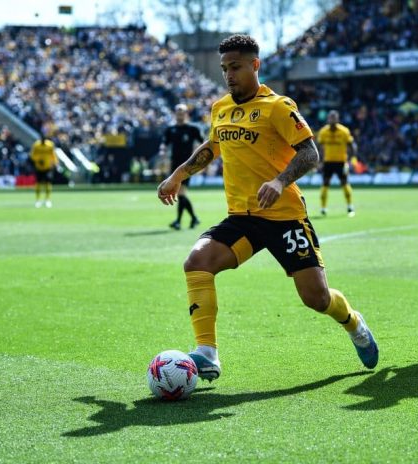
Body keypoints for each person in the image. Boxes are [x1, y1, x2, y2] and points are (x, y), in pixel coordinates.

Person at [157, 35, 378, 381]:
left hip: (284, 218)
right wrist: (178, 175)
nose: (229, 75)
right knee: (197, 262)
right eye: (224, 68)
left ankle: (353, 322)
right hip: (242, 218)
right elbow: (212, 146)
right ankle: (206, 353)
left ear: (255, 65)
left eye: (236, 67)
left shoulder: (278, 106)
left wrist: (278, 182)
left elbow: (309, 153)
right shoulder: (221, 108)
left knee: (316, 299)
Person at [159, 103, 203, 230]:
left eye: (182, 112)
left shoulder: (192, 129)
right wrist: (162, 150)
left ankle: (179, 221)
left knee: (181, 192)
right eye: (178, 112)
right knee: (180, 193)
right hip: (174, 164)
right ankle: (193, 218)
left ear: (186, 114)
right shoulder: (170, 129)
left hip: (188, 165)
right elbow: (164, 143)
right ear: (175, 114)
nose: (180, 115)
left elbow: (203, 142)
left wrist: (199, 159)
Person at [316, 110, 357, 216]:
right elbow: (319, 147)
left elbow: (352, 146)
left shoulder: (344, 131)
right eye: (330, 118)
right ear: (328, 119)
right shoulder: (323, 132)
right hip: (327, 162)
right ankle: (323, 208)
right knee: (325, 184)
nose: (332, 120)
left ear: (337, 119)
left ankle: (350, 206)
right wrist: (319, 161)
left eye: (334, 118)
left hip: (341, 162)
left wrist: (352, 159)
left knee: (345, 183)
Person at [30, 136, 57, 208]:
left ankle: (48, 200)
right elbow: (32, 155)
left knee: (48, 183)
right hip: (39, 167)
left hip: (48, 167)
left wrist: (55, 163)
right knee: (38, 183)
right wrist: (38, 160)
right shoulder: (36, 145)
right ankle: (38, 200)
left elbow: (53, 154)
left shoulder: (50, 145)